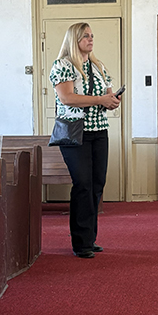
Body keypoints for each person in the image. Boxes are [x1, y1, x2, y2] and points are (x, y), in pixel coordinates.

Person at [49, 22, 121, 259]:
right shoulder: (63, 65)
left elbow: (107, 95)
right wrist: (100, 100)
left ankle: (90, 238)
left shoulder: (98, 66)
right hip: (75, 132)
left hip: (99, 130)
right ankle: (80, 243)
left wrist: (112, 100)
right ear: (74, 40)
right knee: (83, 184)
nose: (91, 39)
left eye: (92, 36)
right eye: (85, 36)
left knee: (97, 183)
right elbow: (67, 98)